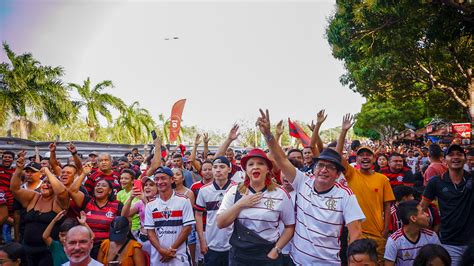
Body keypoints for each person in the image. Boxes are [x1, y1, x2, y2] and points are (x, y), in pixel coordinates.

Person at [257, 109, 364, 265]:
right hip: (297, 261)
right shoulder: (302, 182)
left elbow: (356, 233)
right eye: (320, 165)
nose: (324, 169)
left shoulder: (346, 195)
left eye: (330, 167)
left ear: (337, 174)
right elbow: (280, 158)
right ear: (313, 168)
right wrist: (268, 133)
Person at [216, 147, 295, 265]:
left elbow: (290, 226)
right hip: (239, 256)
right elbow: (220, 223)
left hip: (268, 256)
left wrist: (276, 250)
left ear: (268, 169)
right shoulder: (234, 191)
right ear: (246, 169)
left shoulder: (281, 194)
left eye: (261, 164)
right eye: (251, 164)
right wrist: (240, 204)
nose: (255, 167)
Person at [337, 115, 395, 262]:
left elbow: (387, 206)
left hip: (378, 235)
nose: (365, 158)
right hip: (356, 233)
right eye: (361, 155)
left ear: (374, 159)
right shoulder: (351, 174)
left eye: (368, 155)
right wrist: (343, 131)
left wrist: (385, 230)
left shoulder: (382, 179)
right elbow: (337, 156)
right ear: (356, 160)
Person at [11, 151, 69, 266]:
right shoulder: (33, 197)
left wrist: (47, 171)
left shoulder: (59, 202)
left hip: (47, 252)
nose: (45, 185)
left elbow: (62, 192)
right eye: (44, 183)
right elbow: (14, 189)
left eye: (49, 183)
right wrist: (18, 169)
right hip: (27, 248)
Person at [421, 144, 474, 265]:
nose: (456, 157)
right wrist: (426, 230)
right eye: (451, 155)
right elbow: (422, 207)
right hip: (449, 242)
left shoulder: (472, 179)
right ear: (444, 160)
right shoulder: (436, 181)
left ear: (465, 159)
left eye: (459, 154)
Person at [69, 165, 123, 259]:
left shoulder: (117, 205)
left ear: (110, 191)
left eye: (103, 185)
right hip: (85, 247)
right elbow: (72, 191)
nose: (99, 187)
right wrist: (84, 174)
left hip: (107, 248)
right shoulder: (86, 201)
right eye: (97, 185)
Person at [145, 166, 195, 265]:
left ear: (172, 180)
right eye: (157, 179)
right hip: (159, 257)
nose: (159, 182)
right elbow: (150, 232)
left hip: (179, 256)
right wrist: (161, 250)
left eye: (163, 178)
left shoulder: (184, 200)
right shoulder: (150, 204)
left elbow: (187, 228)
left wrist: (171, 250)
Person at [195, 156, 236, 266]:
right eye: (215, 167)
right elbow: (198, 215)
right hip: (211, 245)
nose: (218, 170)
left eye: (222, 167)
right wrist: (202, 241)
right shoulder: (204, 190)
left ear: (229, 169)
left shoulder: (238, 189)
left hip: (233, 246)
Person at [384, 200, 440, 265]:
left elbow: (439, 260)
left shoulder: (431, 236)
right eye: (422, 212)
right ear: (413, 218)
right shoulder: (394, 241)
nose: (427, 215)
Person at [121, 175, 158, 255]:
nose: (147, 187)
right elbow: (124, 215)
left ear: (158, 188)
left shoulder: (161, 201)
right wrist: (131, 198)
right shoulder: (140, 203)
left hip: (158, 239)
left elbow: (155, 216)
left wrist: (145, 200)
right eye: (145, 185)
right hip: (143, 239)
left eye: (151, 185)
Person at [172, 167, 197, 266]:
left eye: (178, 174)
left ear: (183, 178)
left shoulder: (189, 193)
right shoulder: (168, 192)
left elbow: (188, 214)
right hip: (172, 226)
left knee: (190, 258)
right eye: (173, 175)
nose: (175, 176)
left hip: (187, 227)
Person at [116, 169, 141, 235]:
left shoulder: (137, 192)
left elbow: (129, 213)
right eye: (121, 178)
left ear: (133, 181)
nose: (122, 181)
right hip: (122, 227)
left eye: (126, 178)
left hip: (135, 228)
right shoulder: (119, 194)